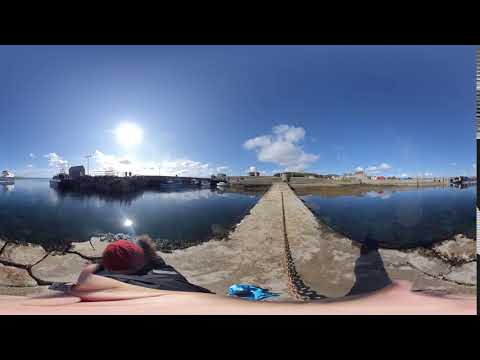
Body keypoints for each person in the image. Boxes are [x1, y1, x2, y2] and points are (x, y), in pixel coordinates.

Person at [75, 237, 212, 294]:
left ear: (109, 268)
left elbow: (83, 278)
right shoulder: (166, 271)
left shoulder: (104, 280)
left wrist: (98, 265)